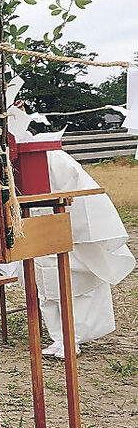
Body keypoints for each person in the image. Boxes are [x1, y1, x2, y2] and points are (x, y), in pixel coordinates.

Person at [33, 150, 135, 357]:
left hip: (66, 223)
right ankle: (59, 337)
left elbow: (75, 185)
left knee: (74, 283)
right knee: (47, 284)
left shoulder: (54, 156)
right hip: (38, 225)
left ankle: (74, 338)